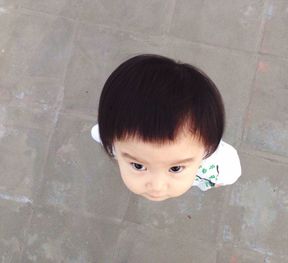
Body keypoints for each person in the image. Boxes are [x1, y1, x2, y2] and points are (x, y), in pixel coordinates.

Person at [91, 54, 241, 201]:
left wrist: (211, 183)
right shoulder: (109, 137)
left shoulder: (222, 165)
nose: (157, 187)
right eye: (138, 166)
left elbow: (228, 176)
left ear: (208, 149)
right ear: (111, 140)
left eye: (175, 168)